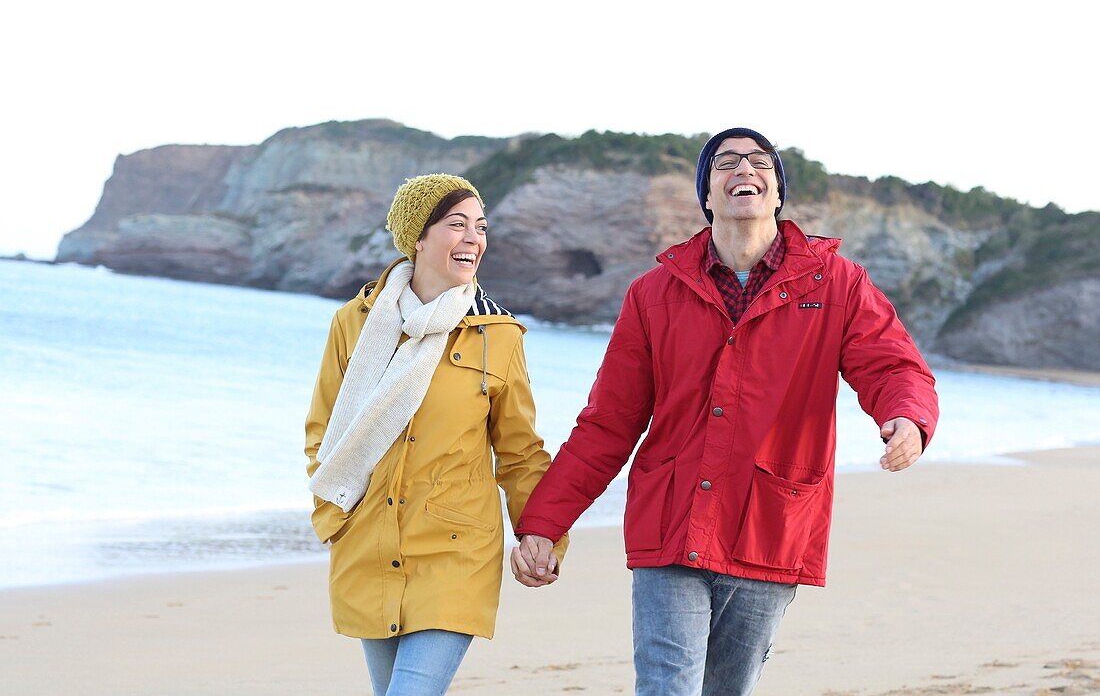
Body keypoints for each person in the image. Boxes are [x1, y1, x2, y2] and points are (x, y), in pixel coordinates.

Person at [511, 128, 939, 695]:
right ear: (707, 195)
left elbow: (893, 366)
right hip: (671, 521)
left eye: (761, 161)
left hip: (771, 523)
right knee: (668, 686)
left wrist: (907, 418)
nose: (745, 169)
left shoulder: (836, 283)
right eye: (726, 163)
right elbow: (607, 424)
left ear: (778, 193)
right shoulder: (653, 293)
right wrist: (544, 523)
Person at [304, 173, 567, 696]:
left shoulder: (498, 335)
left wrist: (544, 535)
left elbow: (520, 453)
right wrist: (340, 515)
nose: (474, 238)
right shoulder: (353, 323)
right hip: (369, 547)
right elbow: (323, 435)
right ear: (418, 237)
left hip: (455, 552)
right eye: (456, 224)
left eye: (481, 227)